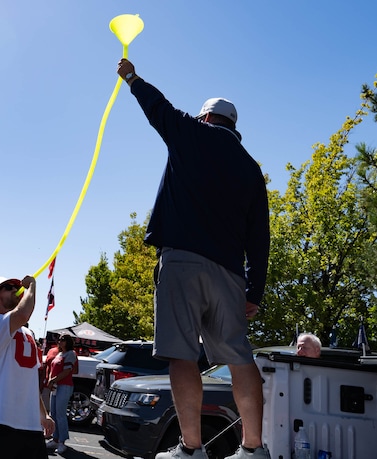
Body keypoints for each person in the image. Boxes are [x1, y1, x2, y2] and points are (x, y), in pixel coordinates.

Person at [116, 59, 271, 459]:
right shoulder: (252, 170)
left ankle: (190, 449)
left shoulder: (191, 133)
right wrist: (255, 290)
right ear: (234, 127)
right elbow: (260, 237)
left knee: (183, 354)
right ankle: (253, 449)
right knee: (239, 356)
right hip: (230, 274)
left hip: (182, 261)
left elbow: (159, 109)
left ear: (206, 116)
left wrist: (132, 78)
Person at [0, 276, 55, 459]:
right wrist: (32, 287)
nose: (16, 289)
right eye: (8, 287)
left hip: (30, 425)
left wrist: (43, 414)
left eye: (17, 286)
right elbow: (22, 314)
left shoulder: (28, 333)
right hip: (0, 422)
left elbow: (27, 381)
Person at [46, 334, 78, 455]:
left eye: (62, 340)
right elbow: (52, 368)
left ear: (68, 342)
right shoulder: (59, 354)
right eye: (59, 340)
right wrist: (51, 380)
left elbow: (67, 371)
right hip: (56, 386)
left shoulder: (70, 354)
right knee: (53, 413)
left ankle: (62, 441)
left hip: (64, 386)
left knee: (60, 414)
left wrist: (53, 379)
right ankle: (55, 438)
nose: (59, 341)